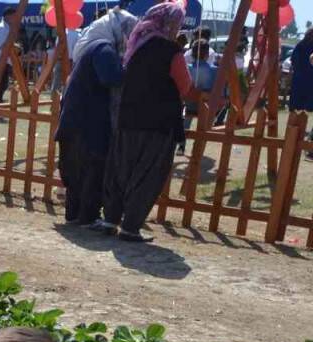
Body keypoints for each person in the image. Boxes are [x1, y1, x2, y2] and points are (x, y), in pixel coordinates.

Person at [96, 1, 192, 242]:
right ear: (171, 24)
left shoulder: (137, 44)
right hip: (158, 123)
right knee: (148, 174)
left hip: (128, 118)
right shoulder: (171, 51)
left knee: (120, 170)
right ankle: (130, 227)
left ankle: (110, 219)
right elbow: (185, 85)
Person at [55, 9, 137, 226]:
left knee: (76, 170)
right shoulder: (104, 49)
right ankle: (88, 216)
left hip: (75, 119)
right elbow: (111, 78)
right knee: (92, 168)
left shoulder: (92, 46)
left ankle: (74, 214)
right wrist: (130, 69)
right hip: (88, 122)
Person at [181, 38, 218, 153]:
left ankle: (181, 145)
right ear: (207, 54)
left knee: (186, 117)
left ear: (192, 53)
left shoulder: (186, 68)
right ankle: (198, 148)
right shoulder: (215, 70)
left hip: (189, 105)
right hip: (207, 108)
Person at [290, 27, 313, 154]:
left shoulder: (300, 45)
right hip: (307, 79)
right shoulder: (302, 46)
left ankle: (295, 127)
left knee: (298, 106)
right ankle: (297, 128)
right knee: (303, 107)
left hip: (300, 79)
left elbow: (294, 61)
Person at [0, 7, 15, 102]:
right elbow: (0, 44)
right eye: (13, 16)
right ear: (7, 16)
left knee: (4, 82)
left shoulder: (8, 27)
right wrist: (12, 45)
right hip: (1, 59)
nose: (14, 18)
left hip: (7, 59)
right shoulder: (1, 28)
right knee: (1, 82)